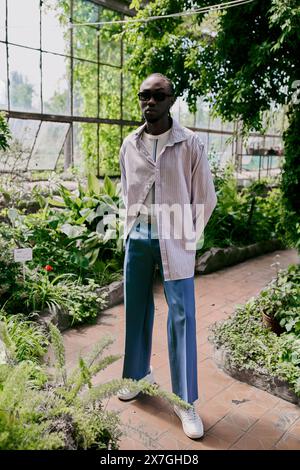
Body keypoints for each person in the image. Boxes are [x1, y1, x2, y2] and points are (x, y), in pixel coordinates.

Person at [117, 73, 217, 439]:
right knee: (136, 309)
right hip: (139, 235)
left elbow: (205, 197)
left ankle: (185, 399)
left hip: (176, 238)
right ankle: (137, 375)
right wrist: (130, 229)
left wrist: (188, 238)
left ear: (171, 99)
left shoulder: (190, 143)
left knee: (182, 316)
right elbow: (126, 189)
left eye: (158, 95)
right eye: (144, 95)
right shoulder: (130, 144)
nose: (150, 102)